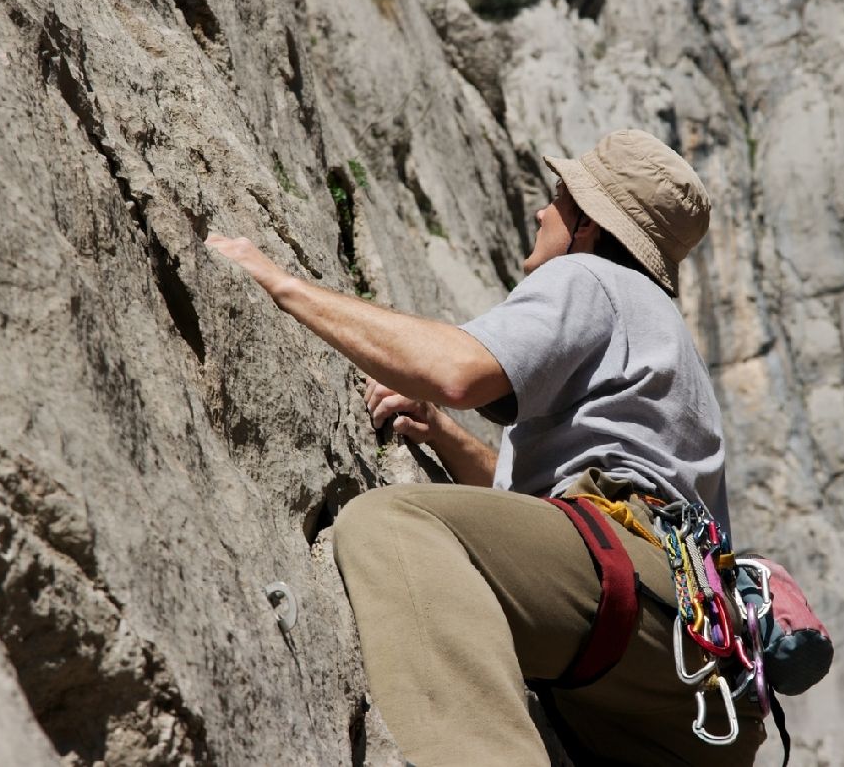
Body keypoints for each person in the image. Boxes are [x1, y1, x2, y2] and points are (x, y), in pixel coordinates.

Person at [207, 128, 763, 766]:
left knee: (393, 522)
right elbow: (540, 521)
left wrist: (282, 284)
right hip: (701, 671)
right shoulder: (671, 347)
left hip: (622, 592)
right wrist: (442, 434)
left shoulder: (592, 276)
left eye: (558, 198)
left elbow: (457, 372)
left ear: (586, 223)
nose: (540, 211)